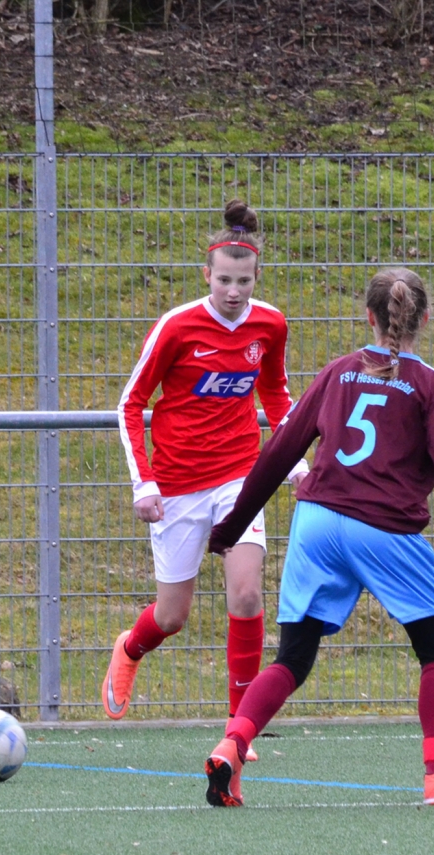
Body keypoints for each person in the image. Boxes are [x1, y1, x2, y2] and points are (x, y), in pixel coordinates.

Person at [203, 267, 434, 807]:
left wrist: (231, 527)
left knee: (292, 657)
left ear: (369, 317)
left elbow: (281, 449)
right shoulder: (431, 384)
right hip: (384, 527)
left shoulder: (337, 372)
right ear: (425, 318)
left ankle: (232, 744)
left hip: (317, 521)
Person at [103, 199, 308, 752]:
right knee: (172, 616)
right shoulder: (177, 327)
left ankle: (239, 730)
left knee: (247, 595)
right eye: (224, 280)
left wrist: (295, 460)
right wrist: (144, 482)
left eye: (244, 281)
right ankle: (130, 648)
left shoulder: (270, 324)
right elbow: (130, 403)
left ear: (257, 276)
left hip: (240, 476)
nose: (234, 291)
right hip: (176, 485)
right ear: (206, 275)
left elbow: (275, 394)